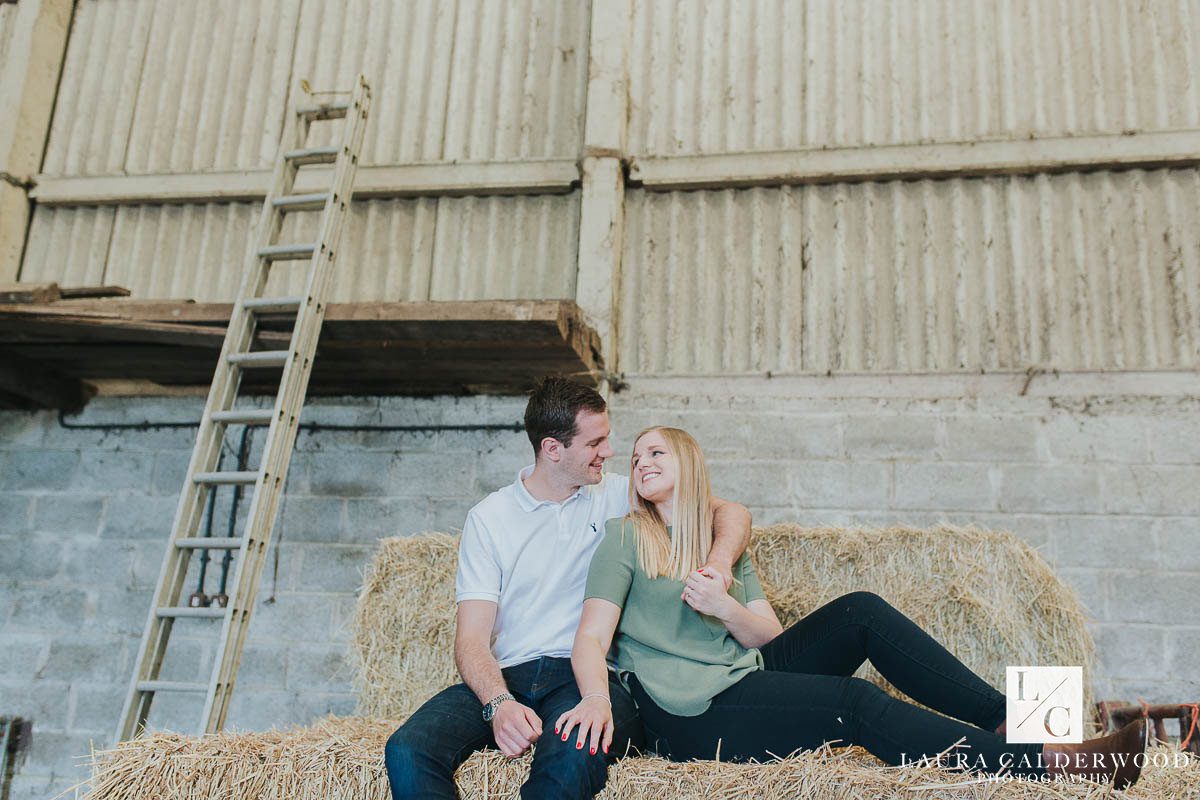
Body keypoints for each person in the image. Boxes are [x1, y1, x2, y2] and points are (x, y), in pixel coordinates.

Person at [556, 426, 1148, 789]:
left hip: (746, 671)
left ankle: (1013, 719)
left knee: (861, 610)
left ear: (689, 462)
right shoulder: (625, 537)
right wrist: (595, 699)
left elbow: (768, 634)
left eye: (656, 452)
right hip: (688, 709)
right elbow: (591, 638)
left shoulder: (721, 543)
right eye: (634, 459)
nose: (641, 463)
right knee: (852, 703)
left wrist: (724, 605)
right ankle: (1046, 764)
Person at [384, 380, 752, 799]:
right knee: (407, 748)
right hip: (508, 674)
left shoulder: (617, 495)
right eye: (596, 442)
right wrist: (498, 703)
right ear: (552, 449)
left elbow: (731, 511)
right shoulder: (490, 518)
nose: (610, 453)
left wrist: (720, 564)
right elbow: (470, 640)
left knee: (574, 749)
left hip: (585, 677)